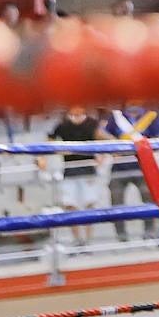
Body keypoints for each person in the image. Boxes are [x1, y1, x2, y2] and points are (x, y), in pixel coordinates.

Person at [97, 100, 159, 242]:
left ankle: (150, 232)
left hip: (142, 164)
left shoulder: (150, 116)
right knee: (116, 200)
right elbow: (101, 134)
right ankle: (121, 236)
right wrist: (113, 144)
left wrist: (147, 147)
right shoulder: (115, 117)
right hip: (119, 165)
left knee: (149, 199)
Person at [37, 105, 104, 246]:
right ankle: (77, 240)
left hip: (88, 169)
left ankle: (89, 240)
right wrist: (42, 158)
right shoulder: (62, 125)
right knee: (70, 205)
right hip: (69, 169)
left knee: (89, 204)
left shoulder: (92, 123)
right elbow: (49, 141)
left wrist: (101, 155)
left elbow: (101, 138)